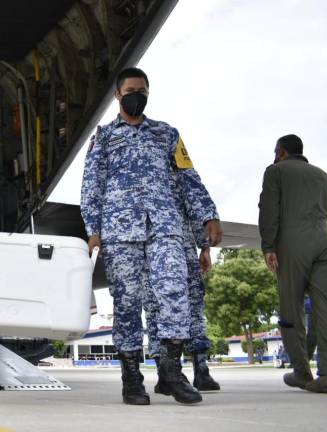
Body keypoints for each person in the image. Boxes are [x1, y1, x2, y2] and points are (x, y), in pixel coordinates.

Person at [80, 67, 221, 406]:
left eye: (142, 90)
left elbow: (189, 177)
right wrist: (93, 230)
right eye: (130, 90)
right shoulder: (103, 138)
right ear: (117, 94)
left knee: (174, 293)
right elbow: (91, 186)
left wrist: (208, 216)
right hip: (120, 231)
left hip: (165, 227)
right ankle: (131, 379)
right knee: (127, 305)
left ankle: (171, 372)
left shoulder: (167, 134)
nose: (136, 95)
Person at [258, 134, 327, 393]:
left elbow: (269, 210)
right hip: (325, 240)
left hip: (293, 242)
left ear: (281, 152)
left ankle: (301, 372)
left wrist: (268, 246)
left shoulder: (275, 172)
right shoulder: (322, 175)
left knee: (291, 309)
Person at [145, 196, 221, 393]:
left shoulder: (178, 169)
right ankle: (167, 372)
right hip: (154, 248)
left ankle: (199, 370)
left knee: (193, 307)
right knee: (156, 309)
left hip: (180, 248)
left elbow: (194, 205)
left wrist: (204, 246)